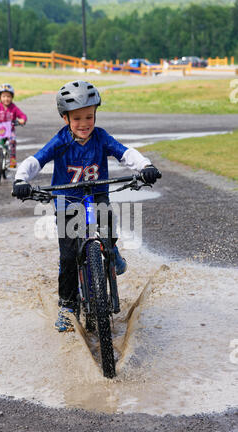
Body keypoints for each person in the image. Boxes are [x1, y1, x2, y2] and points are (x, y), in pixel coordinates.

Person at [12, 81, 161, 332]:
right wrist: (20, 179)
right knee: (69, 256)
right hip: (67, 201)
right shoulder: (60, 141)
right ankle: (68, 307)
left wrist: (145, 166)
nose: (84, 123)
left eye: (89, 116)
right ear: (65, 117)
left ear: (96, 114)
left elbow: (124, 153)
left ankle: (112, 253)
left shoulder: (101, 137)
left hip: (97, 195)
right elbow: (36, 160)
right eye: (77, 118)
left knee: (108, 226)